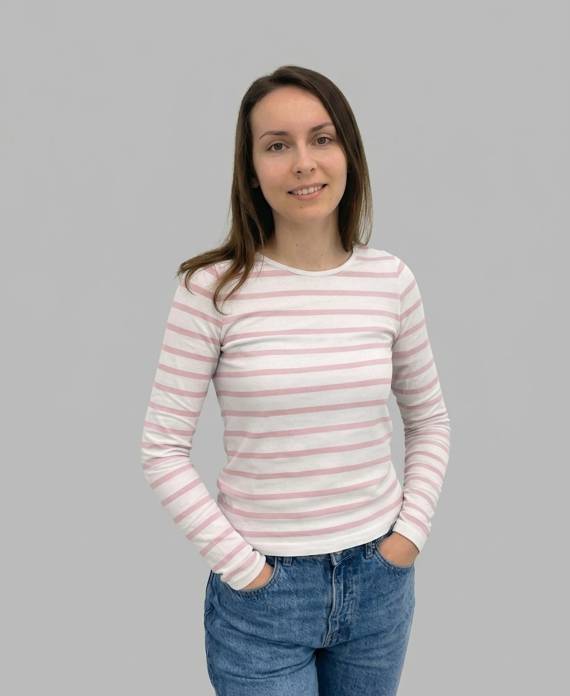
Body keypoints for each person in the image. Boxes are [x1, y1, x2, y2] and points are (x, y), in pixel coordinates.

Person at [140, 64, 451, 695]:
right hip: (264, 596)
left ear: (349, 153)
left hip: (379, 584)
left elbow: (429, 421)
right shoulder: (212, 290)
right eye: (278, 145)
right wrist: (245, 570)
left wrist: (409, 538)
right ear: (252, 169)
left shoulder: (390, 281)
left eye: (322, 138)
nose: (304, 162)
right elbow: (162, 449)